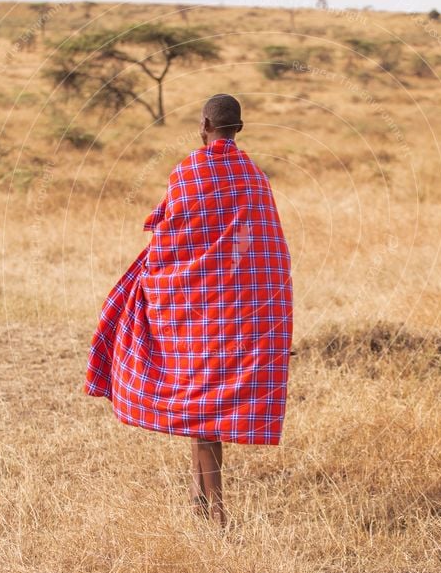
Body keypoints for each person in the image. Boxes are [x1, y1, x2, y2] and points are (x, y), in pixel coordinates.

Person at [84, 94, 293, 528]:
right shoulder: (255, 176)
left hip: (196, 306)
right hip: (240, 309)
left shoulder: (190, 170)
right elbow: (263, 247)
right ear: (239, 128)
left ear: (204, 125)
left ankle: (215, 515)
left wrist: (157, 279)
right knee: (206, 410)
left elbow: (171, 236)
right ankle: (200, 502)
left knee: (204, 411)